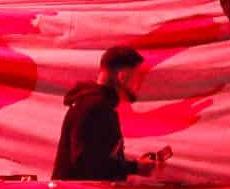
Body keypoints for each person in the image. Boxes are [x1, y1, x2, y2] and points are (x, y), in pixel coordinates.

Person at [51, 46, 168, 181]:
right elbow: (88, 165)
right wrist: (135, 167)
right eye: (138, 76)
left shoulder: (92, 104)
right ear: (123, 77)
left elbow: (96, 158)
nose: (140, 83)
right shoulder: (96, 108)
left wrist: (133, 165)